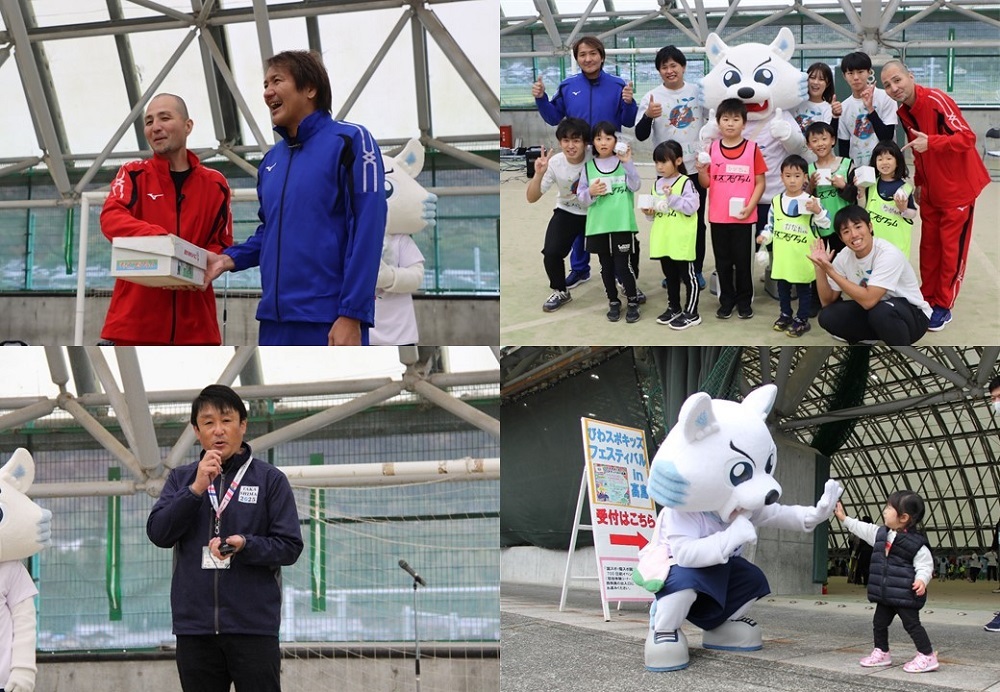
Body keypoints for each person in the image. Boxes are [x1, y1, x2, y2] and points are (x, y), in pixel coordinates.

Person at [204, 50, 386, 345]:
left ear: (310, 88)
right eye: (265, 85)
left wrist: (351, 314)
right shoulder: (270, 161)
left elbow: (368, 227)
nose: (267, 93)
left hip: (328, 319)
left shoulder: (351, 140)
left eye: (277, 81)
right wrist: (228, 259)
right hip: (274, 321)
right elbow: (269, 232)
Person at [147, 384, 303, 692]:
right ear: (197, 431)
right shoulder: (181, 479)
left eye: (227, 420)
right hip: (195, 630)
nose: (218, 431)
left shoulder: (270, 480)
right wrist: (195, 489)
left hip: (253, 628)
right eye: (208, 423)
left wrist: (247, 545)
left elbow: (290, 546)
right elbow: (159, 533)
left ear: (243, 426)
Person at [101, 93, 233, 345]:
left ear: (188, 126)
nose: (155, 127)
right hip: (135, 324)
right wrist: (163, 243)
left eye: (165, 118)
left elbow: (221, 241)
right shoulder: (132, 173)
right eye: (149, 122)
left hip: (197, 327)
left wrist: (197, 265)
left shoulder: (216, 184)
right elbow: (111, 218)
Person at [880, 60, 990, 332]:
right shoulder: (903, 111)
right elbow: (916, 148)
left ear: (911, 76)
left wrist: (933, 142)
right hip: (931, 190)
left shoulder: (937, 100)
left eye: (897, 80)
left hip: (958, 190)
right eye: (887, 85)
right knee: (929, 247)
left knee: (951, 249)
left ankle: (943, 303)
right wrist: (919, 180)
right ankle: (925, 296)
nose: (894, 88)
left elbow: (967, 138)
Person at [533, 36, 638, 293]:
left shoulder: (617, 85)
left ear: (602, 56)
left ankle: (621, 272)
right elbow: (553, 117)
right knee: (582, 207)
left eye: (593, 53)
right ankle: (580, 268)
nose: (588, 58)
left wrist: (628, 102)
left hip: (606, 157)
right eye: (582, 54)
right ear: (576, 58)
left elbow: (629, 119)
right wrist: (541, 98)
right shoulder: (568, 86)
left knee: (608, 208)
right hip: (580, 155)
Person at [834, 492, 938, 673]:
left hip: (905, 594)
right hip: (886, 594)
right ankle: (882, 652)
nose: (884, 511)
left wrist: (922, 580)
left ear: (904, 517)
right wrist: (844, 518)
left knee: (912, 625)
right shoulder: (881, 534)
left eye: (889, 508)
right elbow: (862, 528)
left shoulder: (915, 544)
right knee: (879, 623)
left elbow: (925, 564)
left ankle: (927, 655)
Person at [634, 46, 708, 289]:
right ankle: (673, 271)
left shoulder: (699, 92)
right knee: (668, 222)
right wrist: (648, 116)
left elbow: (716, 119)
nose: (669, 70)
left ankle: (695, 270)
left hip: (695, 170)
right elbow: (641, 135)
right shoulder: (652, 97)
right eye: (664, 67)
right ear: (659, 71)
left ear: (683, 67)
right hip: (667, 174)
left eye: (674, 65)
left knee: (695, 221)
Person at [810, 205, 931, 345]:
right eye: (846, 231)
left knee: (881, 312)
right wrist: (820, 268)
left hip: (913, 316)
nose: (854, 234)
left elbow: (869, 301)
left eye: (858, 227)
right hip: (877, 311)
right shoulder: (843, 257)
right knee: (828, 316)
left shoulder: (887, 254)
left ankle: (901, 349)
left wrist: (831, 272)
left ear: (870, 227)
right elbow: (827, 301)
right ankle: (870, 338)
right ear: (841, 238)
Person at [696, 98, 767, 320]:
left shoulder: (752, 149)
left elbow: (760, 182)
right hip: (718, 218)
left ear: (744, 124)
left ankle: (745, 302)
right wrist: (701, 170)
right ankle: (726, 301)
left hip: (744, 219)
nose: (730, 124)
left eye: (736, 119)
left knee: (744, 263)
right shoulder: (712, 149)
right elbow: (706, 183)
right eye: (725, 119)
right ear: (718, 123)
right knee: (723, 263)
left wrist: (751, 206)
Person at [756, 154, 830, 337]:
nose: (792, 180)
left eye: (797, 176)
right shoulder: (776, 201)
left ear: (805, 177)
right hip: (783, 257)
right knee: (782, 288)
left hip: (803, 258)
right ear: (781, 177)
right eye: (788, 176)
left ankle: (802, 319)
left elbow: (826, 225)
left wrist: (818, 211)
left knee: (804, 289)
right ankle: (785, 314)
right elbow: (771, 226)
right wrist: (764, 236)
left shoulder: (811, 202)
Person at [576, 121, 641, 323]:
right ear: (592, 143)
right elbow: (581, 197)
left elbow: (635, 185)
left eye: (608, 138)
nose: (603, 142)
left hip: (622, 224)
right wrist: (590, 193)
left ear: (616, 141)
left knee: (623, 267)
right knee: (606, 268)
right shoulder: (587, 168)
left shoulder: (624, 163)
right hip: (599, 226)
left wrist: (628, 162)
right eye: (598, 138)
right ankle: (613, 301)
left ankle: (632, 300)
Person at [525, 117, 590, 313]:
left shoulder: (596, 156)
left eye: (576, 140)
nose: (571, 146)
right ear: (560, 142)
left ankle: (625, 283)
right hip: (567, 210)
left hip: (596, 210)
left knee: (617, 248)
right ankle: (561, 291)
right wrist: (538, 173)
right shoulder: (554, 162)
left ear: (585, 142)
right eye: (565, 140)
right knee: (551, 253)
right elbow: (531, 197)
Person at [640, 140, 700, 329]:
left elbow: (692, 207)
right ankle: (674, 307)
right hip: (663, 240)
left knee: (688, 276)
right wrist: (649, 213)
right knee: (670, 276)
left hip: (681, 241)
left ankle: (692, 312)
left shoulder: (685, 182)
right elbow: (656, 214)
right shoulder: (656, 184)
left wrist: (672, 198)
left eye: (664, 162)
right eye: (657, 162)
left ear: (678, 161)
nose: (659, 166)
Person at [837, 52, 897, 169]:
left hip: (886, 167)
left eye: (860, 72)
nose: (855, 77)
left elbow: (887, 137)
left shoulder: (885, 97)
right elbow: (843, 146)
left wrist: (870, 109)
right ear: (844, 76)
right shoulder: (844, 107)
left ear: (869, 72)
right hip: (858, 169)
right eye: (850, 73)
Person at [859, 140, 917, 258]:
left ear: (897, 161)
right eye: (880, 159)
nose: (884, 163)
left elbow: (913, 214)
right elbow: (863, 208)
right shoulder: (872, 184)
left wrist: (903, 209)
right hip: (873, 246)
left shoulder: (904, 187)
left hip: (896, 249)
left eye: (889, 158)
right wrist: (861, 191)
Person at [792, 62, 842, 132]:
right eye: (812, 77)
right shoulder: (796, 102)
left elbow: (828, 137)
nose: (816, 82)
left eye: (821, 79)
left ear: (827, 84)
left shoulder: (828, 110)